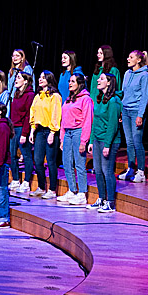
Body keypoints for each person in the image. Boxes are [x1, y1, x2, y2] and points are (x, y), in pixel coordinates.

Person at [57, 73, 93, 206]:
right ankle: (72, 190)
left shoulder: (86, 99)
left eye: (73, 81)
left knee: (79, 163)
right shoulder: (68, 99)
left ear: (79, 84)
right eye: (69, 81)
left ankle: (82, 193)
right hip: (67, 133)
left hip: (78, 132)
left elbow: (88, 120)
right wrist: (62, 138)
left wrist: (84, 141)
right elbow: (63, 119)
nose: (70, 84)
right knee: (66, 163)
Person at [89, 72, 122, 213]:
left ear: (109, 82)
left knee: (107, 171)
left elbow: (113, 125)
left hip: (109, 141)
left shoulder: (113, 101)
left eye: (102, 79)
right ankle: (101, 198)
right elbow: (95, 121)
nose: (98, 80)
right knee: (97, 170)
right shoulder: (99, 98)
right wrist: (91, 140)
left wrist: (107, 144)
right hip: (97, 138)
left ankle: (110, 202)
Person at [118, 49, 148, 183]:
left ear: (138, 60)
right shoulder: (127, 73)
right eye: (128, 57)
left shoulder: (145, 76)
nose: (128, 59)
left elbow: (145, 97)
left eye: (131, 57)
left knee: (137, 141)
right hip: (126, 111)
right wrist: (121, 110)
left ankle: (141, 172)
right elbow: (124, 93)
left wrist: (140, 115)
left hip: (136, 111)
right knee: (129, 142)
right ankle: (131, 169)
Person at [29, 71, 62, 199]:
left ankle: (52, 190)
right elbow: (33, 112)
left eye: (43, 77)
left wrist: (53, 132)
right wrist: (32, 130)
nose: (40, 79)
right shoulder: (38, 96)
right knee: (37, 160)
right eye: (40, 77)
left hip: (50, 131)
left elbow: (56, 114)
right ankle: (41, 187)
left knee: (51, 161)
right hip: (39, 131)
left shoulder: (55, 96)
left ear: (49, 79)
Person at [7, 72, 35, 194]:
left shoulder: (30, 95)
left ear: (26, 81)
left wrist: (24, 133)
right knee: (12, 154)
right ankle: (15, 179)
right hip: (13, 128)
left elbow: (28, 115)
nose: (16, 80)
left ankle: (26, 182)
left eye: (18, 78)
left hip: (22, 128)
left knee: (26, 155)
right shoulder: (16, 94)